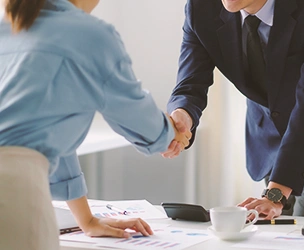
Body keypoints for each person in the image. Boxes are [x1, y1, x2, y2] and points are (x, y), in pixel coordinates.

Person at [0, 0, 191, 249]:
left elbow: (51, 134)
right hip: (13, 195)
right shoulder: (88, 34)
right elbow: (138, 118)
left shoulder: (10, 25)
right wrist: (173, 133)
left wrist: (87, 220)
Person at [163, 0, 304, 219]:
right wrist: (182, 114)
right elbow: (191, 82)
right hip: (267, 135)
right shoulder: (201, 7)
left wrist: (276, 193)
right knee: (272, 232)